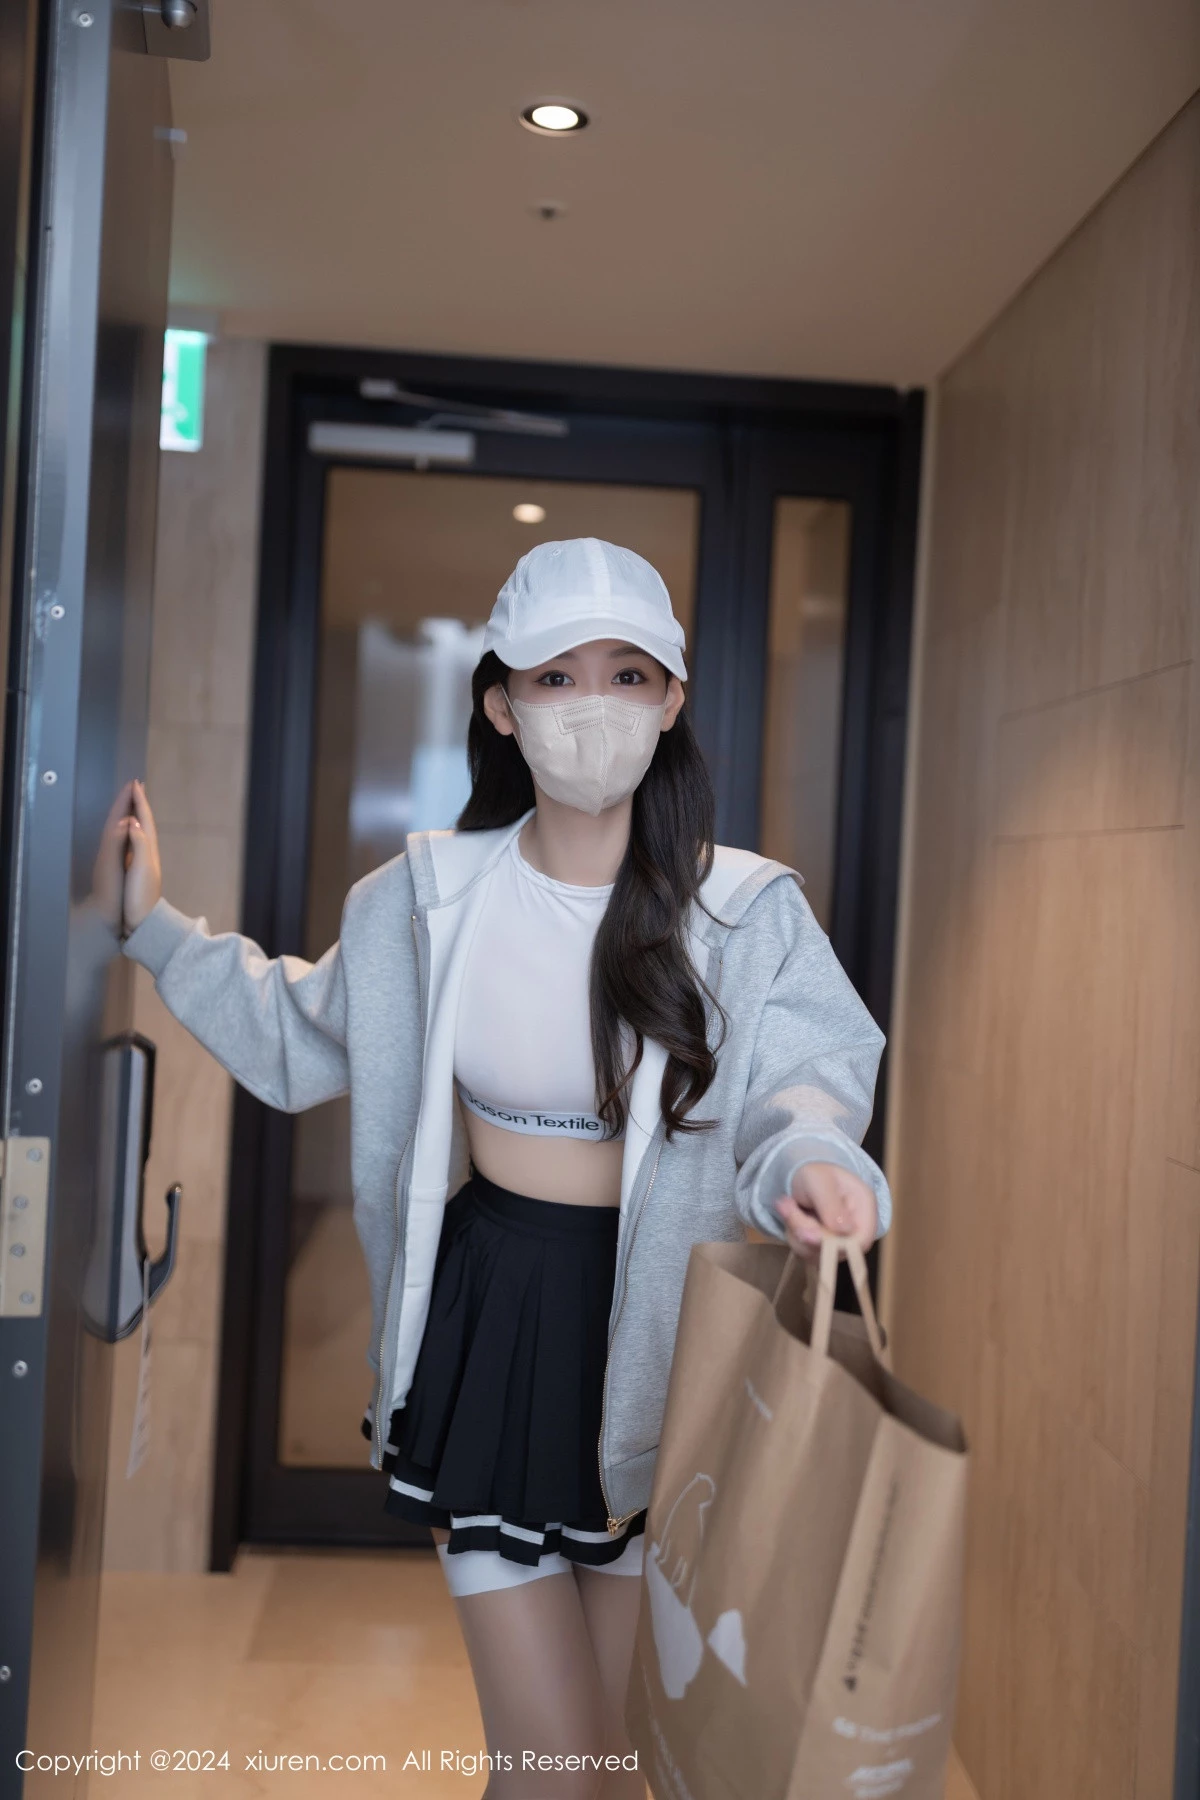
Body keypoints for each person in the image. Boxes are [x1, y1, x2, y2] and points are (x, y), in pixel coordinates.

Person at [119, 536, 892, 1800]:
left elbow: (802, 1088)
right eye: (556, 676)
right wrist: (151, 927)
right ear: (501, 705)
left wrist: (814, 1164)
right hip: (495, 1320)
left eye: (629, 676)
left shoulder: (747, 913)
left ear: (673, 701)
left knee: (614, 1771)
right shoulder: (427, 899)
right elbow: (298, 1036)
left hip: (667, 1343)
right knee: (553, 1773)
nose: (596, 706)